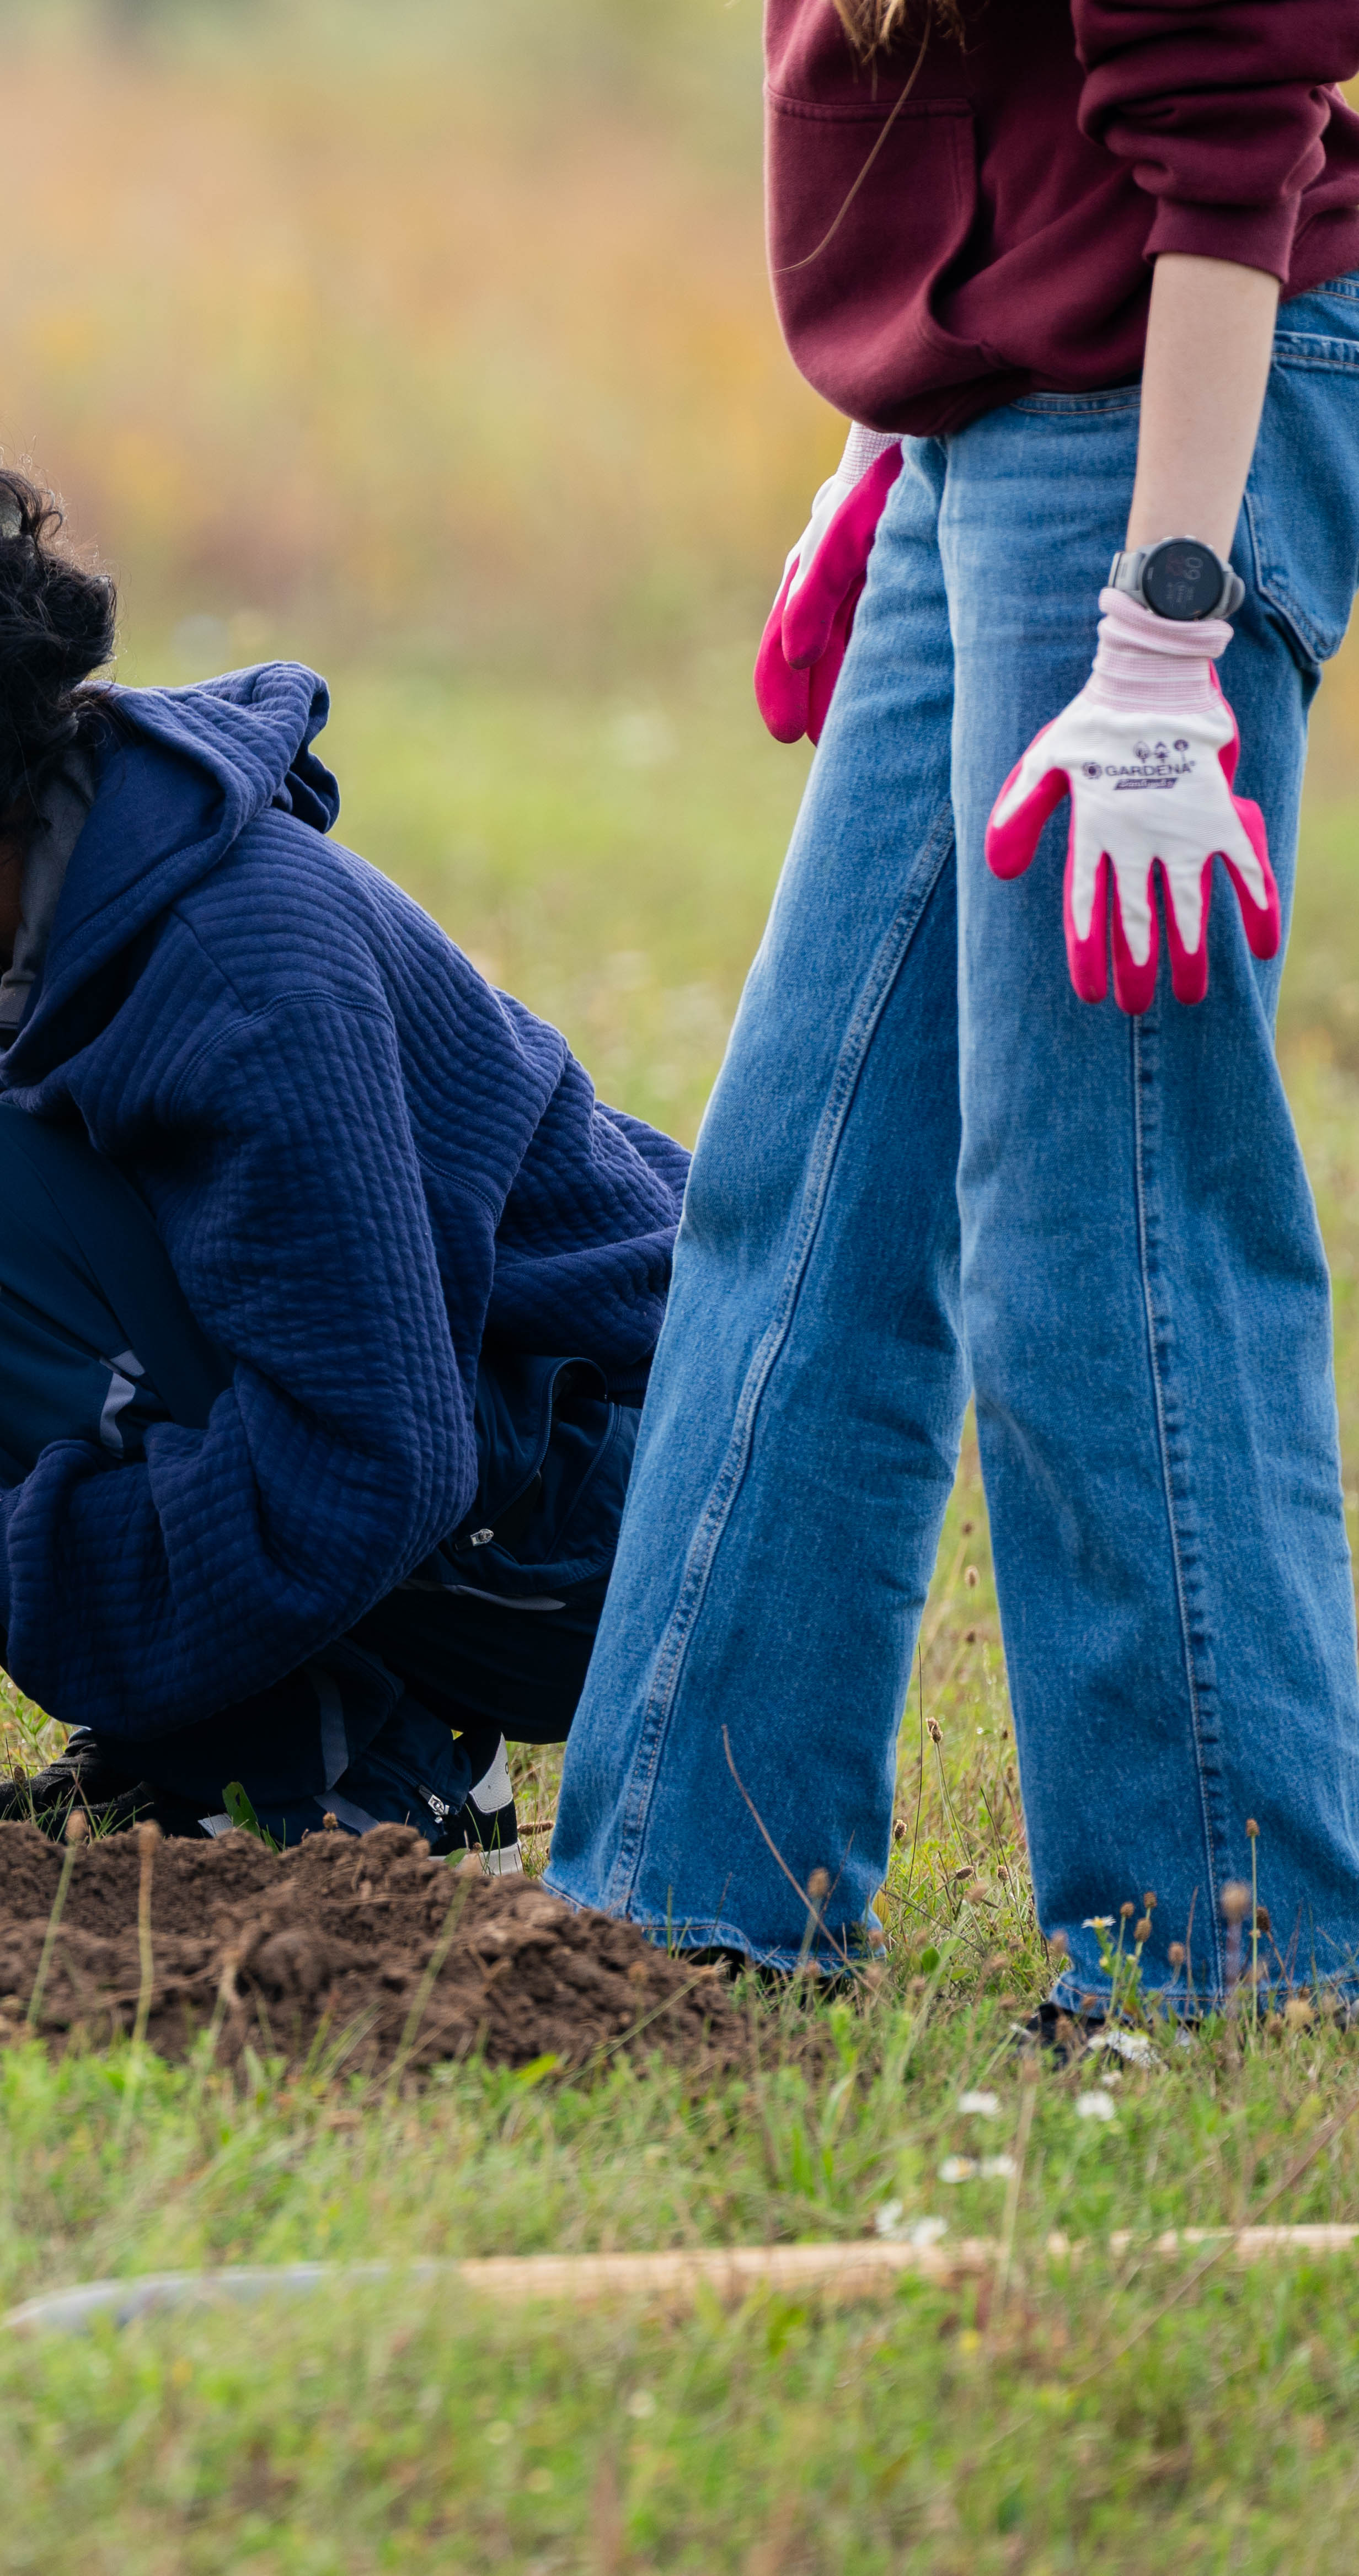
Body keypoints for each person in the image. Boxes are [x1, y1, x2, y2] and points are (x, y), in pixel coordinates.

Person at [550, 0, 1359, 2013]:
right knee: (802, 1171)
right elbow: (967, 103)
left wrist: (1170, 617)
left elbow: (1228, 111)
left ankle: (1230, 1957)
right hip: (991, 411)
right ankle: (680, 1906)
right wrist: (886, 437)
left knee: (1107, 1193)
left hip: (1163, 409)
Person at [0, 410, 689, 1849]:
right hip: (423, 1456)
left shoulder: (244, 969)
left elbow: (381, 1454)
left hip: (586, 1518)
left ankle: (372, 1764)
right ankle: (207, 1736)